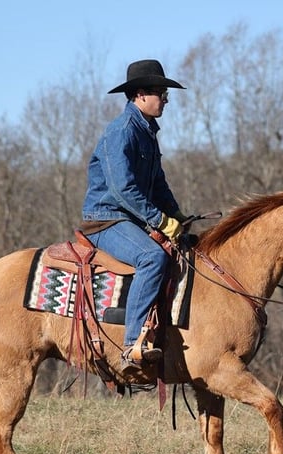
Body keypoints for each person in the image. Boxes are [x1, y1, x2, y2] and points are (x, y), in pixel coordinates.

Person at [80, 59, 187, 372]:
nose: (165, 99)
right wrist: (160, 220)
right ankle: (132, 346)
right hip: (106, 219)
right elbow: (122, 190)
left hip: (131, 218)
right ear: (140, 95)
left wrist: (177, 215)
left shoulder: (147, 132)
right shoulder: (122, 131)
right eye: (160, 93)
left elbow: (158, 184)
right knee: (152, 258)